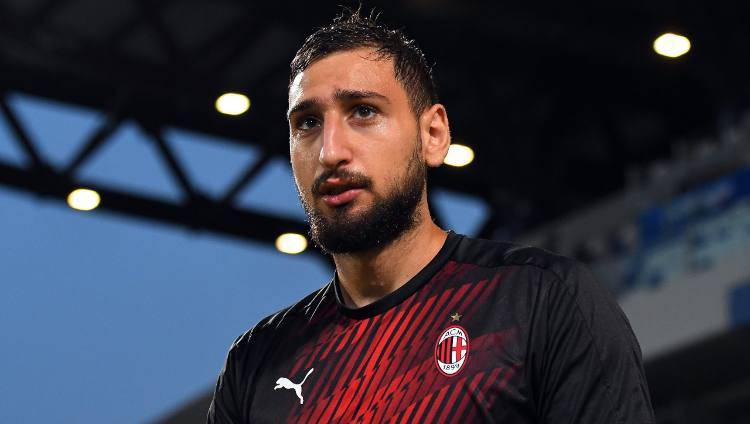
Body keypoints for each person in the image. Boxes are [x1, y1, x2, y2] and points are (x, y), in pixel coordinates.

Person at [207, 8, 655, 423]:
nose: (330, 151)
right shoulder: (255, 364)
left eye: (363, 112)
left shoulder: (542, 301)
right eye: (307, 122)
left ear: (434, 135)